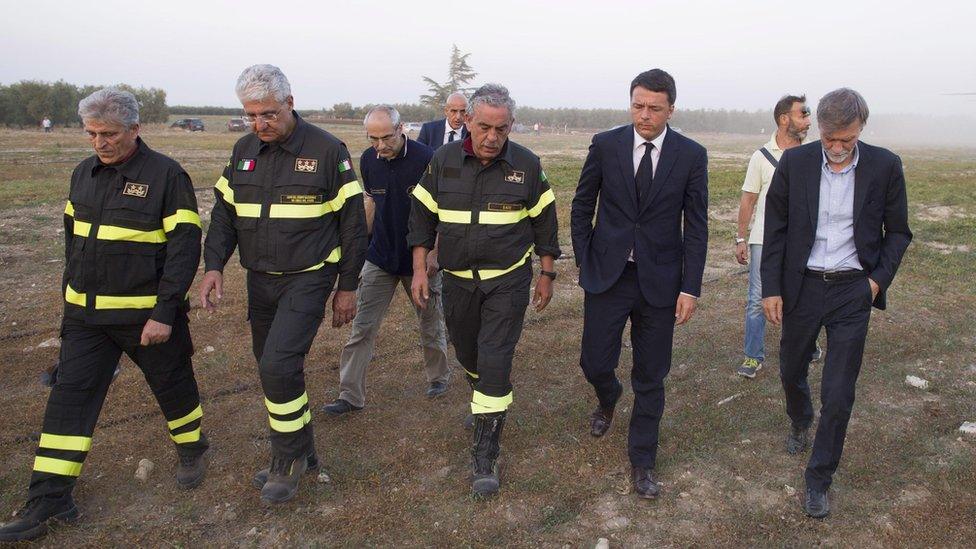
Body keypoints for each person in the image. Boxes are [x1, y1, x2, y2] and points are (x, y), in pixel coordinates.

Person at [0, 88, 207, 542]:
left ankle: (192, 447)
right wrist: (68, 310)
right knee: (68, 402)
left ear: (135, 129)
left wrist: (165, 312)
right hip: (86, 320)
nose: (100, 143)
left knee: (173, 385)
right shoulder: (83, 173)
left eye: (109, 134)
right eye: (92, 133)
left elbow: (183, 250)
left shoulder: (167, 175)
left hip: (145, 318)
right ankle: (50, 500)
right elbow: (74, 246)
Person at [198, 64, 367, 504]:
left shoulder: (329, 151)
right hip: (261, 281)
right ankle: (304, 449)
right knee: (273, 369)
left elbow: (352, 225)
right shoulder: (243, 150)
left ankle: (286, 460)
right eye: (252, 116)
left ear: (290, 103)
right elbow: (224, 214)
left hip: (309, 278)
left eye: (269, 114)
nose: (260, 124)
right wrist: (213, 265)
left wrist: (347, 287)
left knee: (277, 366)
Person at [761, 88, 912, 518]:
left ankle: (818, 479)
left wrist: (875, 283)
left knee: (840, 392)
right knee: (791, 368)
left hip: (853, 290)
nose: (837, 148)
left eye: (846, 139)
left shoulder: (885, 166)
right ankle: (800, 417)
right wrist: (771, 287)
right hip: (803, 287)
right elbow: (776, 229)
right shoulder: (795, 164)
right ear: (819, 129)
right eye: (829, 139)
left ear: (862, 127)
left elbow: (898, 232)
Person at [408, 83, 560, 497]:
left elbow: (545, 223)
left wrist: (546, 274)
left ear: (511, 126)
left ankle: (485, 455)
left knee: (495, 359)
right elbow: (421, 218)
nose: (492, 138)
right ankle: (485, 400)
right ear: (466, 121)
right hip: (457, 281)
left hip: (507, 281)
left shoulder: (527, 165)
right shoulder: (442, 161)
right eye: (484, 127)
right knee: (467, 352)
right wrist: (420, 269)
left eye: (502, 129)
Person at [571, 69, 708, 500]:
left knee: (651, 375)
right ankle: (607, 396)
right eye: (637, 105)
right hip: (608, 276)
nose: (644, 115)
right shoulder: (606, 144)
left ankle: (642, 461)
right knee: (594, 361)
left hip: (661, 282)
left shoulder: (690, 155)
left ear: (671, 109)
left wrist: (691, 288)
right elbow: (581, 206)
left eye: (654, 108)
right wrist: (585, 257)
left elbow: (697, 226)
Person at [323, 105, 452, 416]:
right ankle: (349, 394)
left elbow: (444, 210)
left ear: (401, 129)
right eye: (372, 139)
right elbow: (371, 202)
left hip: (418, 261)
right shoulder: (369, 160)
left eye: (386, 138)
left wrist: (435, 251)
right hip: (380, 258)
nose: (380, 146)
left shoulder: (427, 158)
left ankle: (439, 378)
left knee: (430, 323)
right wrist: (359, 246)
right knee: (362, 327)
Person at [734, 94, 820, 378]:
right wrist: (740, 238)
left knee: (803, 295)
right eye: (803, 114)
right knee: (758, 297)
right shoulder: (761, 157)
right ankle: (752, 355)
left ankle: (806, 345)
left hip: (804, 241)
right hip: (763, 240)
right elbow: (748, 200)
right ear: (785, 119)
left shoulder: (815, 154)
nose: (808, 121)